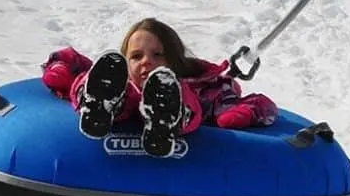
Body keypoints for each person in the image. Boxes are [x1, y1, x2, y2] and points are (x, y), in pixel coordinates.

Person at [42, 18, 278, 156]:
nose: (146, 61)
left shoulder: (203, 88)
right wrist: (60, 72)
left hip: (181, 104)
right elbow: (69, 64)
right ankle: (97, 104)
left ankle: (166, 115)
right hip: (124, 100)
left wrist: (245, 112)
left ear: (175, 61)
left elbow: (259, 105)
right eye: (136, 56)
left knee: (182, 98)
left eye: (157, 55)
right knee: (108, 88)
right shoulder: (121, 79)